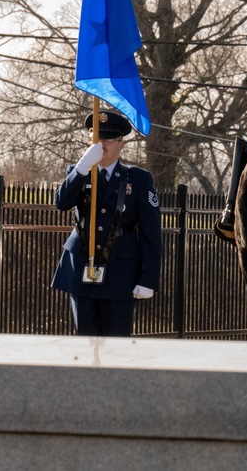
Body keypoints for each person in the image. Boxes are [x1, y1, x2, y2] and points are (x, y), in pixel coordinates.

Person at [51, 110, 162, 337]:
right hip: (81, 267)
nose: (101, 145)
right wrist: (82, 168)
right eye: (96, 138)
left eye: (108, 140)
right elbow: (61, 203)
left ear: (121, 144)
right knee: (85, 342)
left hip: (120, 273)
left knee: (115, 344)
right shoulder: (78, 171)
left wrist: (148, 277)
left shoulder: (138, 179)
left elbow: (151, 232)